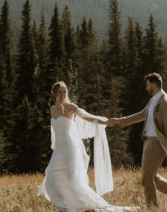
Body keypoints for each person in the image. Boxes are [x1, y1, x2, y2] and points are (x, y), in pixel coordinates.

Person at [38, 81, 134, 212]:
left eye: (64, 91)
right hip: (59, 148)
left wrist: (105, 121)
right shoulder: (52, 109)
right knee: (51, 177)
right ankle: (64, 205)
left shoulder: (70, 107)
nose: (62, 94)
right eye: (60, 92)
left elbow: (87, 116)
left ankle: (80, 206)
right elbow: (54, 131)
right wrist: (54, 145)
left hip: (70, 148)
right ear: (54, 94)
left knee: (72, 180)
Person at [107, 73, 167, 207]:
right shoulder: (154, 100)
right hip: (149, 142)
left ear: (153, 84)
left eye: (147, 85)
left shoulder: (165, 103)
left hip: (156, 143)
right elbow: (141, 114)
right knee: (152, 177)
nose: (146, 88)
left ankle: (152, 208)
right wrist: (120, 121)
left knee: (146, 180)